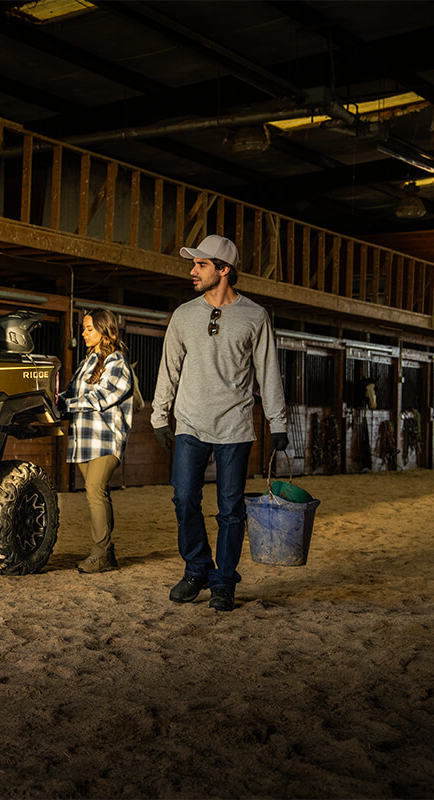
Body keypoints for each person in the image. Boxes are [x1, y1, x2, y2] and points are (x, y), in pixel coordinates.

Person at [151, 234, 289, 612]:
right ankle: (197, 569)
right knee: (184, 499)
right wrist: (160, 415)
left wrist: (278, 422)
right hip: (191, 422)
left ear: (224, 270)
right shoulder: (183, 314)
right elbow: (169, 368)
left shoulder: (255, 316)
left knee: (231, 509)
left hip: (235, 426)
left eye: (201, 265)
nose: (192, 271)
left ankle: (223, 582)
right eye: (193, 265)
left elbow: (268, 371)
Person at [60, 309, 134, 574]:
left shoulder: (117, 362)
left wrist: (66, 404)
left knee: (94, 490)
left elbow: (101, 397)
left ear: (105, 330)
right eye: (84, 328)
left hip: (106, 438)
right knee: (99, 493)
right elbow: (71, 391)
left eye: (89, 328)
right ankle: (109, 551)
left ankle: (100, 554)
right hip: (84, 439)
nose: (83, 333)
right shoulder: (87, 362)